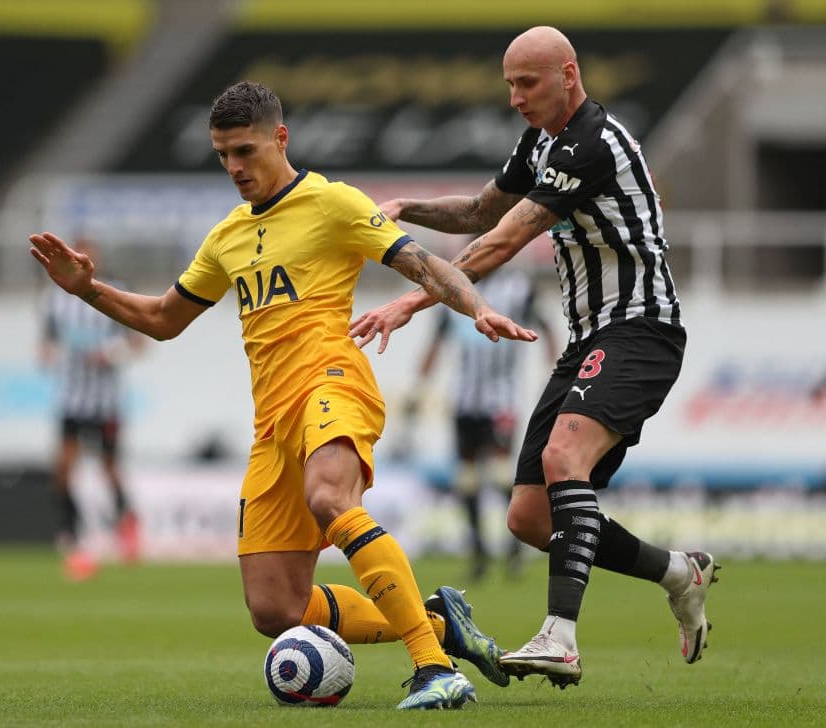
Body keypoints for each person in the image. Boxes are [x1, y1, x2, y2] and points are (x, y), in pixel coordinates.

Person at [30, 81, 540, 709]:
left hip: (332, 381)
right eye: (223, 155)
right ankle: (438, 625)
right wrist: (88, 290)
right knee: (276, 608)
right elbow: (163, 319)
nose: (234, 167)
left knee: (330, 497)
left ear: (280, 138)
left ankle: (435, 669)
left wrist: (477, 307)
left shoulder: (332, 202)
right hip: (272, 422)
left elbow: (422, 263)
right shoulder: (227, 236)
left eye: (244, 151)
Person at [350, 27, 720, 688]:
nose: (515, 98)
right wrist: (408, 207)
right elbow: (478, 213)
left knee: (562, 459)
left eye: (527, 83)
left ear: (568, 75)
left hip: (640, 328)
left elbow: (502, 242)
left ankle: (560, 637)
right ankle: (678, 572)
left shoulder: (590, 143)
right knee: (529, 517)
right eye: (509, 85)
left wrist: (410, 302)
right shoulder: (542, 142)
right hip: (588, 339)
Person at [407, 262, 555, 581]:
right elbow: (437, 340)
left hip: (501, 398)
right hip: (465, 399)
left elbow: (546, 327)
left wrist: (553, 371)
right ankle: (479, 553)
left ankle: (515, 546)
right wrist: (419, 387)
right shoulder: (454, 287)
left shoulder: (518, 286)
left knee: (500, 472)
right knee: (467, 478)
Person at [39, 238, 145, 579]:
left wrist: (109, 354)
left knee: (109, 467)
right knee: (63, 469)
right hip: (72, 398)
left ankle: (127, 525)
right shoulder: (54, 299)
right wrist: (49, 356)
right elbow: (46, 344)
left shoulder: (114, 291)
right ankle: (70, 534)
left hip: (105, 400)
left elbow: (137, 342)